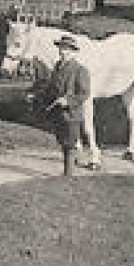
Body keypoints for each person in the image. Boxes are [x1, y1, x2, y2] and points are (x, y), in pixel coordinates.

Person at [42, 34, 93, 176]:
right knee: (63, 141)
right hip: (59, 113)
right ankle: (68, 170)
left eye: (66, 49)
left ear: (72, 51)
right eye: (61, 48)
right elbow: (52, 87)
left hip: (72, 114)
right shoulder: (57, 67)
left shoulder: (80, 69)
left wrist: (68, 101)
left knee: (70, 143)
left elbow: (84, 93)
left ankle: (68, 174)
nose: (62, 52)